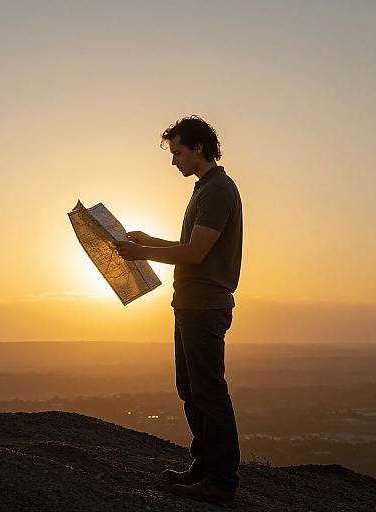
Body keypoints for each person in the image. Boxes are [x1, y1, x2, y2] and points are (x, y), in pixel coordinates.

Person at [114, 115, 243, 505]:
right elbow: (193, 246)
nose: (174, 162)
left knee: (208, 391)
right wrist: (152, 240)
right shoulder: (205, 189)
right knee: (190, 390)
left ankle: (221, 480)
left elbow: (196, 253)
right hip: (190, 303)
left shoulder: (218, 190)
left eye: (177, 152)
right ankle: (204, 465)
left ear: (198, 148)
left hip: (204, 305)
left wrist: (143, 252)